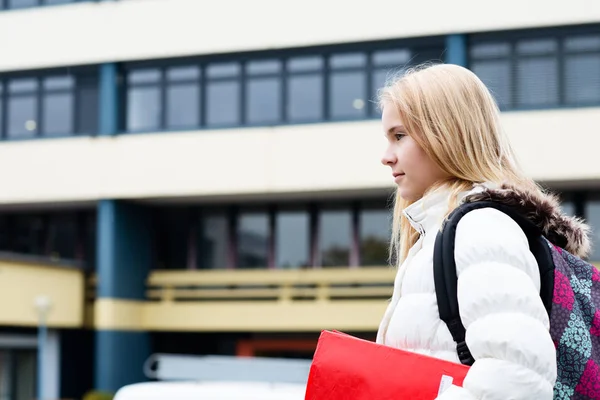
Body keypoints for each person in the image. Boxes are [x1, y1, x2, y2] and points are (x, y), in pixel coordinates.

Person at [376, 63, 591, 399]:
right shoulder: (439, 231)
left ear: (446, 133)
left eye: (399, 136)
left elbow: (517, 379)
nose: (386, 157)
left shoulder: (480, 229)